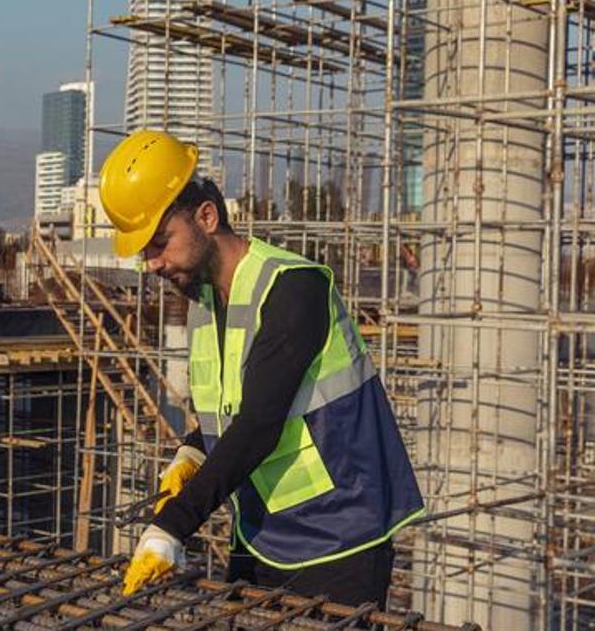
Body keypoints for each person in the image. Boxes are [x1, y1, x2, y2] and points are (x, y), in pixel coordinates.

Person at [100, 130, 424, 607]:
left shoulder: (294, 289)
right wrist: (193, 451)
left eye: (160, 243)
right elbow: (233, 405)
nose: (152, 264)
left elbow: (259, 423)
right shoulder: (206, 301)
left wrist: (171, 526)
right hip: (261, 536)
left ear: (206, 217)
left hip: (339, 541)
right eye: (144, 251)